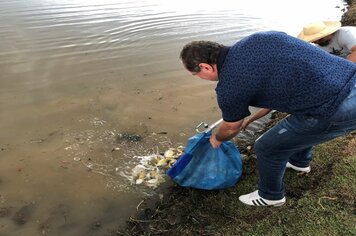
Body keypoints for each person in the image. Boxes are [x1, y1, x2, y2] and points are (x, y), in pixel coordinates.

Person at [179, 31, 356, 207]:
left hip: (338, 106)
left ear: (205, 67)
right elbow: (281, 80)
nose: (200, 79)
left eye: (196, 75)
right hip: (349, 76)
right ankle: (299, 162)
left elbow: (232, 127)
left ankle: (271, 195)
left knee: (266, 147)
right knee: (302, 123)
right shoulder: (260, 39)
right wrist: (250, 118)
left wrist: (216, 139)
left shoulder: (229, 86)